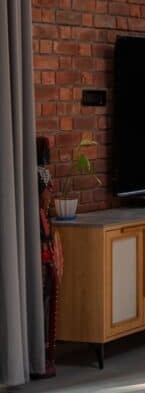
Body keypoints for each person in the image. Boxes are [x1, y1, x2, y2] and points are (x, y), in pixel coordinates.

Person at [33, 137, 63, 379]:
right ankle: (42, 354)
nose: (50, 193)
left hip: (45, 249)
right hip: (42, 253)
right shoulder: (39, 173)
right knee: (43, 299)